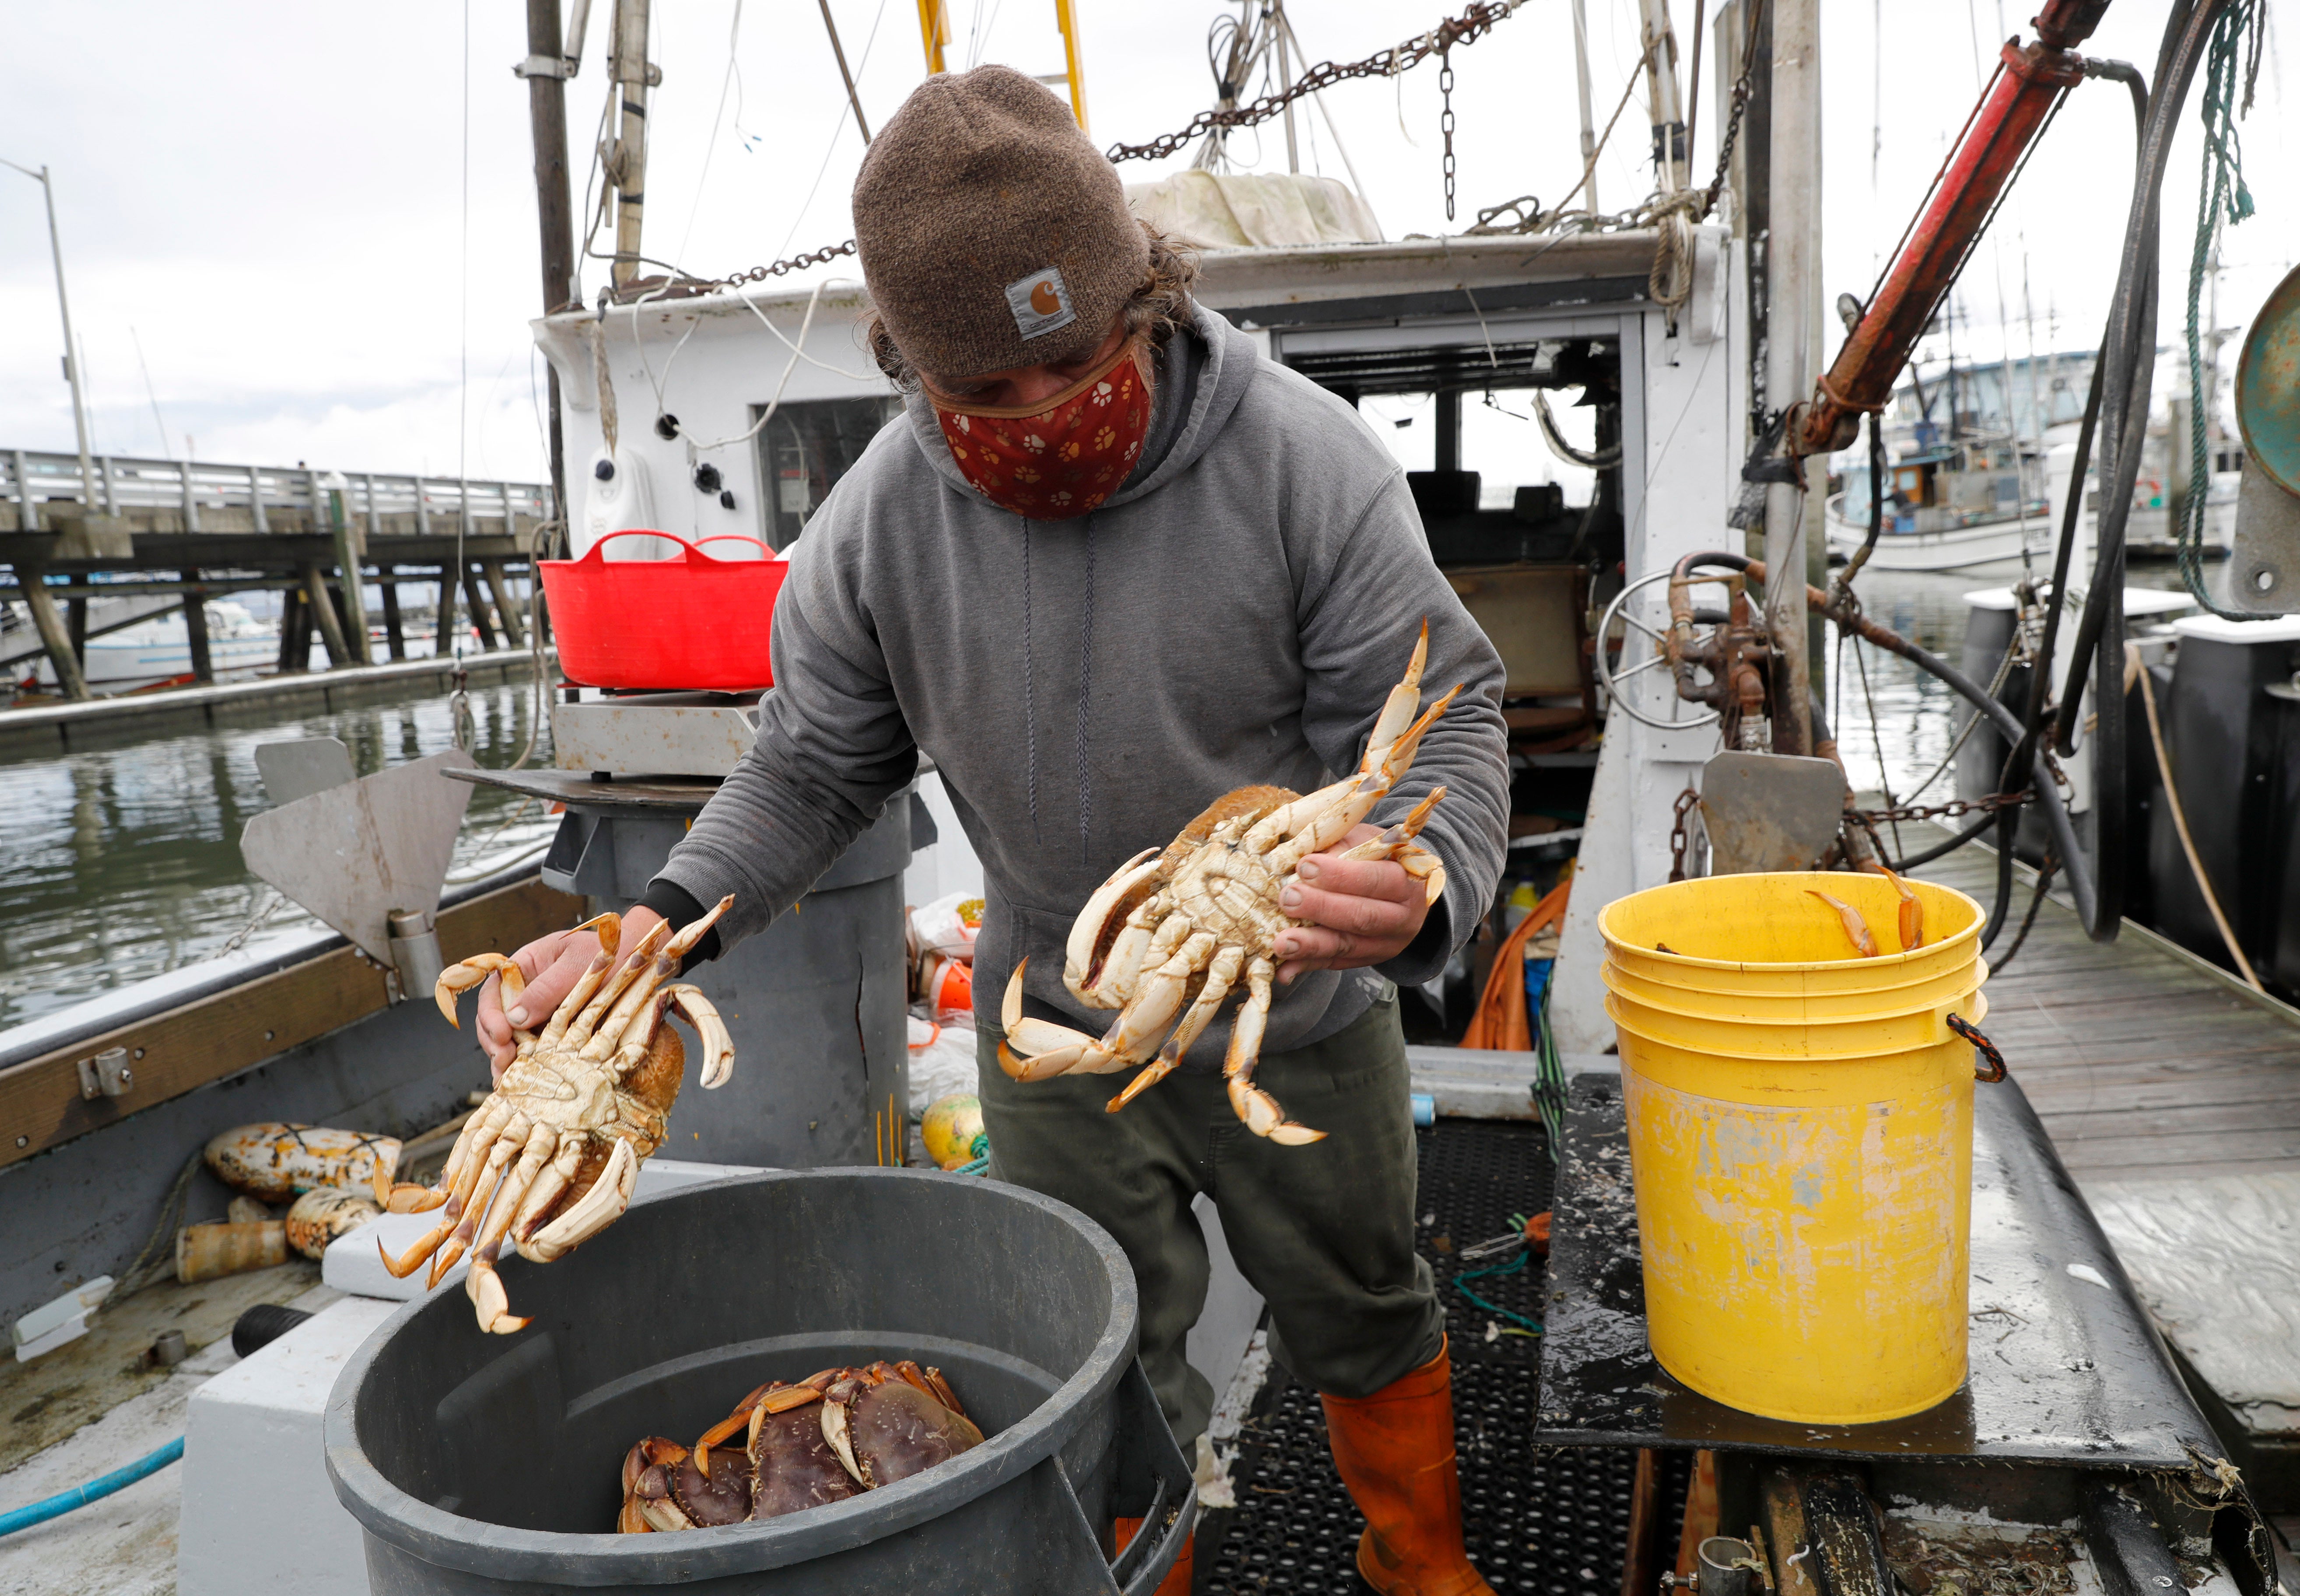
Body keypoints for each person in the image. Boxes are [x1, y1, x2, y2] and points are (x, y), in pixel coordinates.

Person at [480, 65, 1509, 1596]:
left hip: (1295, 1006)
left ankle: (1417, 1560)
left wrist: (1426, 881)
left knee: (1363, 1301)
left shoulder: (1308, 465)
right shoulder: (877, 529)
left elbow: (1449, 714)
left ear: (1142, 299)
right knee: (1092, 1348)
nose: (1040, 419)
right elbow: (811, 766)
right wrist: (660, 919)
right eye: (985, 396)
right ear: (909, 366)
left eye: (1073, 364)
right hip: (1046, 1028)